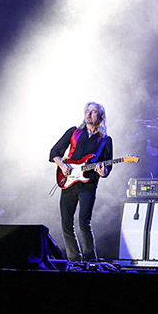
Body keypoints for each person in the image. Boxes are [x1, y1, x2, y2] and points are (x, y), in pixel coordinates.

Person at [50, 102, 113, 263]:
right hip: (68, 182)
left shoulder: (105, 140)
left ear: (100, 116)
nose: (89, 114)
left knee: (84, 222)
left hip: (88, 185)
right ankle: (74, 260)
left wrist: (102, 171)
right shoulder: (74, 132)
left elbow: (107, 167)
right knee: (66, 223)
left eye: (93, 112)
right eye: (87, 111)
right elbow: (54, 152)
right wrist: (63, 166)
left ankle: (90, 260)